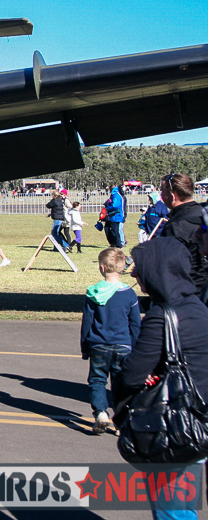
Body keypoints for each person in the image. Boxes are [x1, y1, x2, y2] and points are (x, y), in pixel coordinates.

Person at [114, 235, 208, 519]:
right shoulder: (198, 308)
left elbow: (131, 374)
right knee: (186, 506)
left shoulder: (164, 316)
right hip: (198, 422)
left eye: (139, 267)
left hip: (174, 426)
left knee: (173, 511)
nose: (133, 273)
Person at [80, 247, 140, 434]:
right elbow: (135, 324)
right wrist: (136, 347)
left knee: (97, 380)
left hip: (98, 344)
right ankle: (121, 421)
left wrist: (85, 345)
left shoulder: (93, 293)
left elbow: (87, 322)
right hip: (123, 345)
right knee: (120, 383)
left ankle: (100, 412)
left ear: (102, 267)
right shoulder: (129, 294)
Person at [159, 174, 208, 302]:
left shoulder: (176, 226)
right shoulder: (203, 213)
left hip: (186, 296)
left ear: (173, 196)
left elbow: (167, 268)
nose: (161, 196)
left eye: (163, 192)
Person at [101, 181, 127, 248]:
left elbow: (115, 206)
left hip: (116, 216)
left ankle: (118, 245)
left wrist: (107, 208)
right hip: (111, 216)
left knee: (115, 231)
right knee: (107, 228)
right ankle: (113, 243)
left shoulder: (116, 196)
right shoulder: (114, 195)